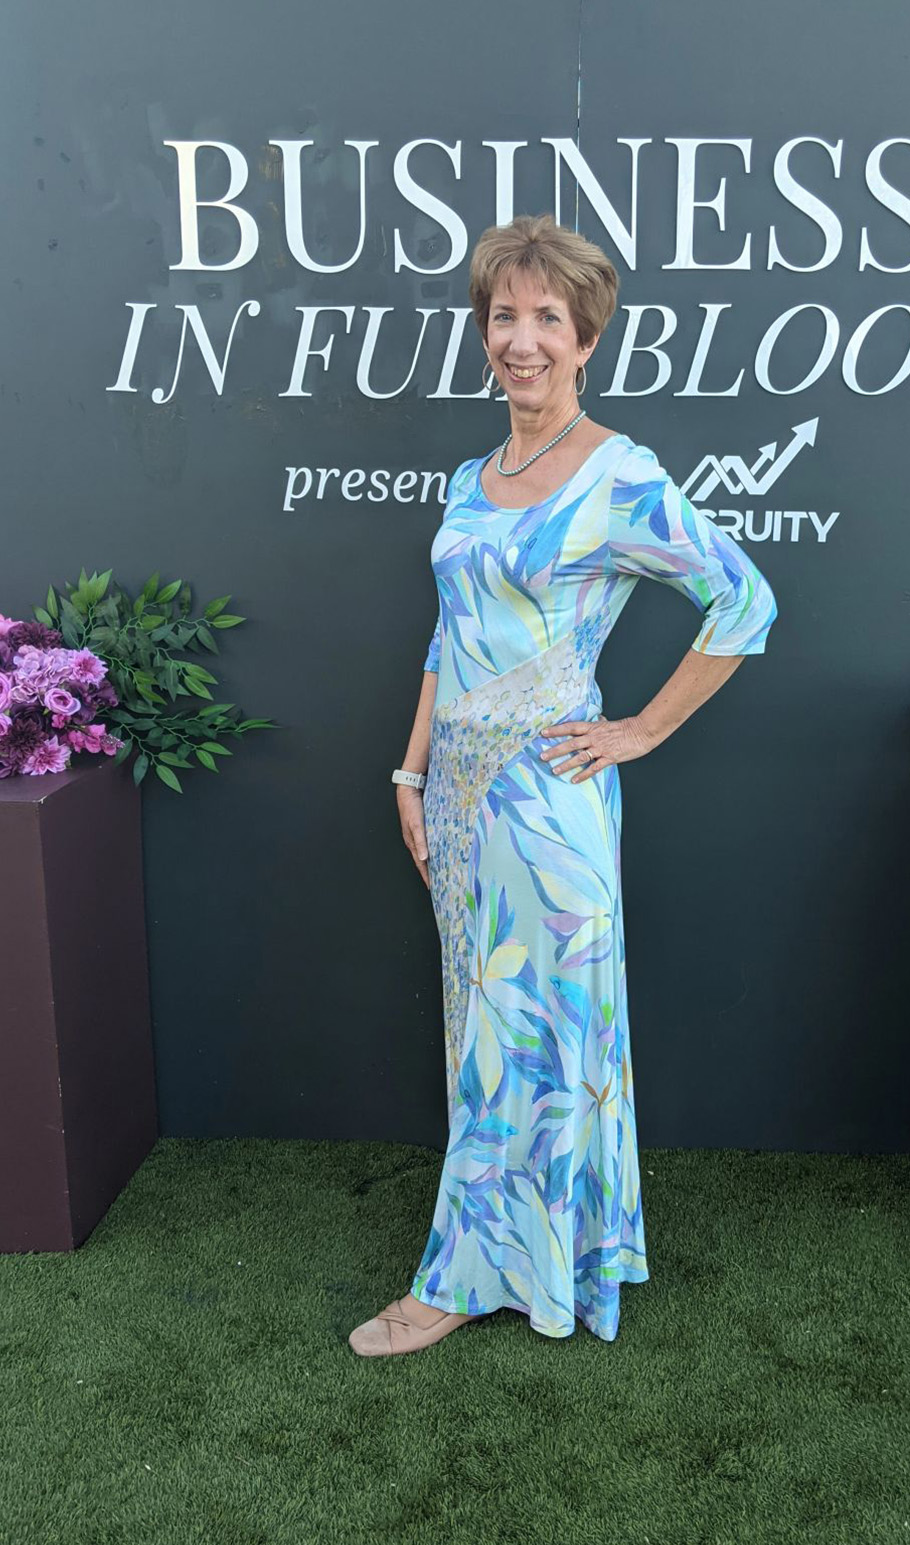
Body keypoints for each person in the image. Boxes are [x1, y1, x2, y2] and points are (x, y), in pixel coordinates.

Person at [349, 213, 777, 1357]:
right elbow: (448, 638)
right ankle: (526, 1253)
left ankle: (461, 1278)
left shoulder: (621, 477)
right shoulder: (468, 476)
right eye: (504, 316)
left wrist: (639, 729)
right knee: (481, 1034)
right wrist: (411, 763)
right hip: (456, 800)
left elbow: (746, 603)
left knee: (537, 1039)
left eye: (548, 318)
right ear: (481, 331)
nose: (522, 339)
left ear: (588, 337)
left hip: (551, 805)